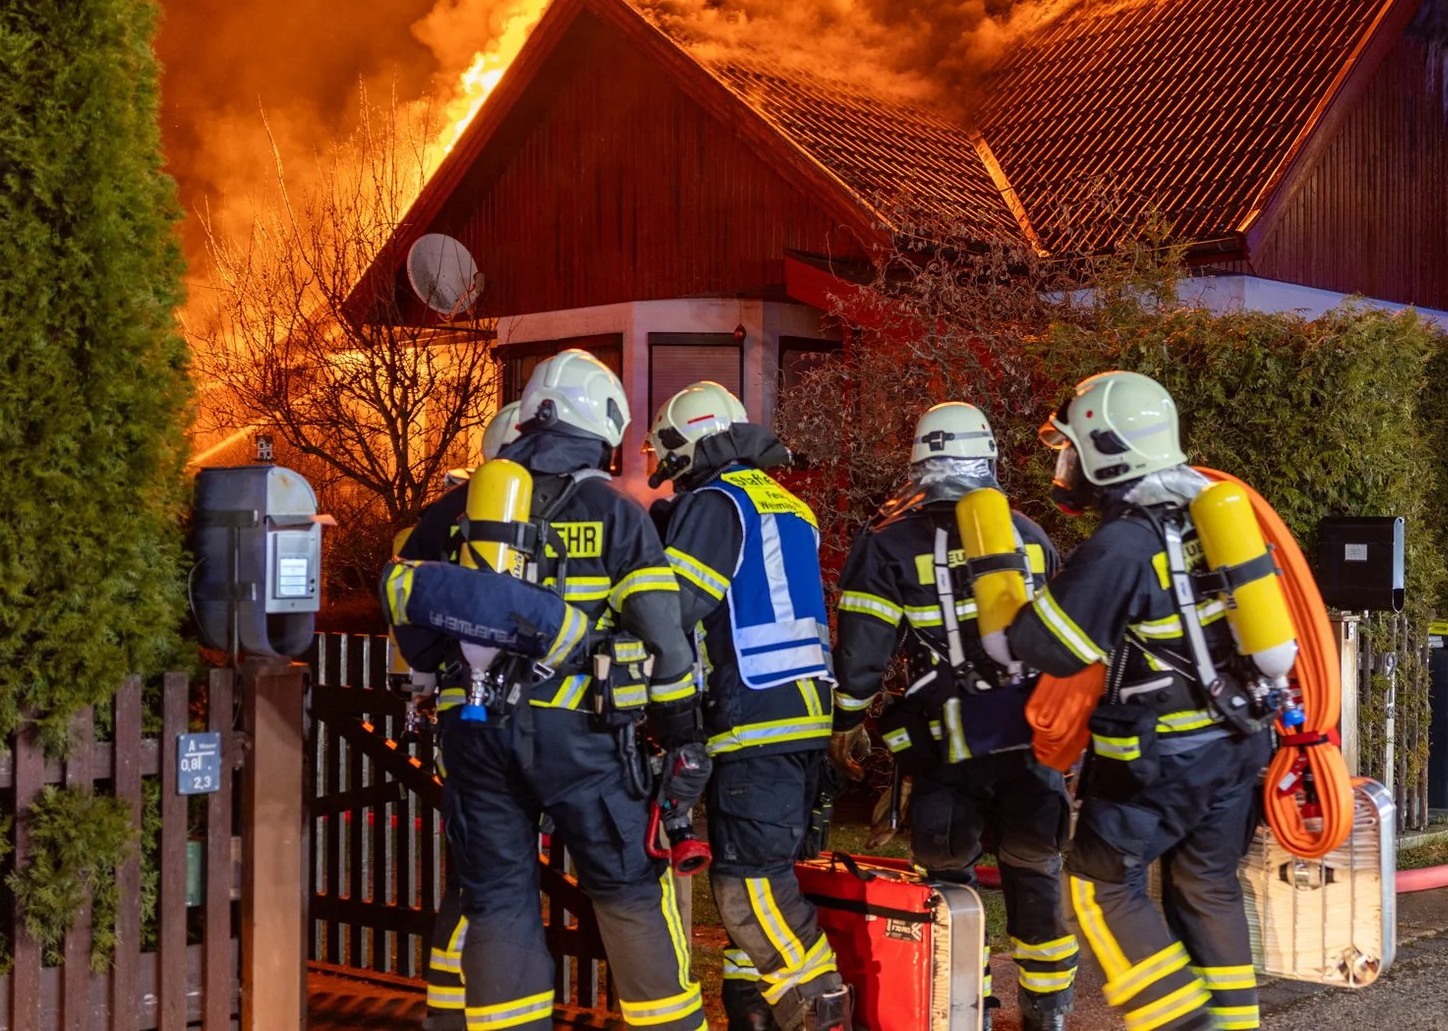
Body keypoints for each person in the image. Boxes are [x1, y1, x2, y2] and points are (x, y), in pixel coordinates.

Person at [388, 350, 711, 1031]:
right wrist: (684, 737)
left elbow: (413, 630)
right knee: (628, 893)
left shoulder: (449, 513)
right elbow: (667, 642)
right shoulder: (615, 514)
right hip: (585, 744)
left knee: (498, 899)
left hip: (475, 733)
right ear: (605, 424)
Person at [993, 372, 1274, 1031]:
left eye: (1069, 449)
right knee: (1206, 885)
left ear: (1103, 449)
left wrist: (1000, 586)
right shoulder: (1210, 513)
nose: (1064, 465)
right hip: (1237, 743)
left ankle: (1183, 1025)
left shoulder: (1122, 542)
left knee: (1097, 885)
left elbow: (1049, 645)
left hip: (1163, 759)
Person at [830, 403, 1080, 1031]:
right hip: (1029, 733)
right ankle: (1048, 1015)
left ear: (918, 462)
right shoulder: (1028, 533)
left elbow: (864, 652)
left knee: (946, 873)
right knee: (1035, 869)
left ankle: (956, 1005)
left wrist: (848, 719)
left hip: (947, 742)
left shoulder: (890, 540)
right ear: (989, 458)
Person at [653, 382, 850, 1031]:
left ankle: (820, 1010)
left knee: (747, 889)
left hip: (751, 714)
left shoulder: (714, 501)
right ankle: (754, 1013)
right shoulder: (788, 503)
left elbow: (673, 606)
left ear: (688, 445)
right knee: (766, 872)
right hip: (801, 717)